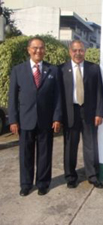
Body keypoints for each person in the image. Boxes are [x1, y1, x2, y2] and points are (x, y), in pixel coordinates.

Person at [8, 37, 62, 196]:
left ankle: (43, 183)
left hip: (46, 120)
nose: (38, 51)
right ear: (28, 49)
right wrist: (13, 120)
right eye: (35, 48)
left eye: (41, 48)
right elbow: (12, 98)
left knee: (45, 153)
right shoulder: (18, 70)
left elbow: (58, 96)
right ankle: (26, 184)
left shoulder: (53, 70)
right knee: (26, 154)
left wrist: (57, 117)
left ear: (45, 50)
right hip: (25, 120)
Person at [60, 40, 103, 189]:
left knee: (91, 145)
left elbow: (99, 92)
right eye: (75, 50)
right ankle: (71, 177)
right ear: (70, 51)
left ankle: (92, 176)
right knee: (70, 147)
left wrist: (99, 113)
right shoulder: (61, 69)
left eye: (81, 50)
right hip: (70, 113)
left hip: (89, 112)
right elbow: (58, 96)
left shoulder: (94, 68)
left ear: (85, 51)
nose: (78, 53)